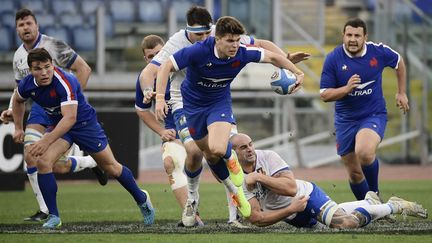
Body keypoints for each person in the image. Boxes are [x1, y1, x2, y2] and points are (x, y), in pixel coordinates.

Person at [141, 6, 309, 228]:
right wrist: (160, 99)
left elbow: (269, 55)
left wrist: (296, 71)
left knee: (220, 149)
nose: (235, 45)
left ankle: (235, 197)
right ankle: (198, 197)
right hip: (190, 106)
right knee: (206, 154)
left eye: (237, 41)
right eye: (230, 41)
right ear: (217, 39)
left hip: (219, 103)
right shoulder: (196, 50)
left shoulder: (241, 51)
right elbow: (163, 68)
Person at [12, 48, 155, 229]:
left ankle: (142, 199)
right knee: (43, 162)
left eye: (47, 67)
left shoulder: (65, 81)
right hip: (60, 126)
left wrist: (45, 140)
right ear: (31, 70)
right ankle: (54, 216)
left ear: (53, 64)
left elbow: (70, 118)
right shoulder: (27, 84)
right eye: (38, 69)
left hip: (84, 124)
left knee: (112, 168)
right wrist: (18, 127)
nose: (44, 72)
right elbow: (17, 100)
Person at [0, 8, 107, 222]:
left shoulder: (52, 45)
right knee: (32, 154)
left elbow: (83, 69)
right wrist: (13, 109)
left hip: (61, 104)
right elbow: (19, 90)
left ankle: (90, 162)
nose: (25, 28)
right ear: (17, 30)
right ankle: (45, 210)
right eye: (21, 25)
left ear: (37, 25)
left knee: (60, 165)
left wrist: (71, 103)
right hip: (40, 108)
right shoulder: (19, 56)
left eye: (29, 23)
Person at [231, 133, 427, 228]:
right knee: (331, 221)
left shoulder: (268, 157)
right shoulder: (237, 180)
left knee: (344, 224)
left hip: (306, 195)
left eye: (250, 144)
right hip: (293, 215)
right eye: (242, 147)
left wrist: (259, 177)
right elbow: (256, 218)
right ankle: (368, 203)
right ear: (233, 153)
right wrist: (290, 210)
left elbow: (291, 188)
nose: (250, 149)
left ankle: (394, 206)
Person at [319, 18, 409, 200]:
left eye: (357, 35)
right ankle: (368, 209)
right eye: (349, 35)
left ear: (365, 37)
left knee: (365, 152)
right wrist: (346, 89)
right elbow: (325, 95)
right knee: (354, 173)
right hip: (345, 120)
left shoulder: (378, 52)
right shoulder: (333, 58)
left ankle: (375, 195)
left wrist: (402, 93)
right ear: (343, 36)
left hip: (372, 114)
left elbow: (399, 62)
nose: (353, 39)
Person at [135, 34, 204, 226]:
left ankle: (240, 206)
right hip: (174, 131)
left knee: (218, 162)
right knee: (170, 162)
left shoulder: (184, 68)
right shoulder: (145, 80)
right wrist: (161, 131)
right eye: (151, 56)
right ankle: (191, 216)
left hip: (200, 125)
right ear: (146, 59)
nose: (156, 58)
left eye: (159, 53)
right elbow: (141, 110)